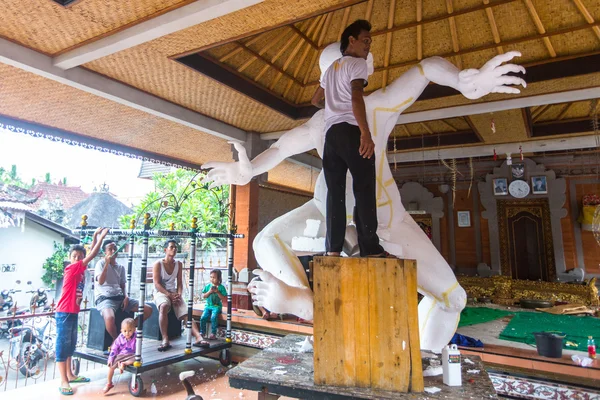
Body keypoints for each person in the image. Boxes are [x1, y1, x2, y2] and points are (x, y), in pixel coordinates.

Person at [310, 20, 389, 258]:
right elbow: (356, 97)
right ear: (351, 40)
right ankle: (370, 249)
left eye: (369, 42)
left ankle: (333, 250)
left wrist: (333, 106)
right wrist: (365, 132)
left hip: (331, 135)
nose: (368, 46)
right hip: (350, 130)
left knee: (334, 192)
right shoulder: (357, 64)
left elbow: (315, 100)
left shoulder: (331, 68)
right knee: (363, 187)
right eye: (365, 41)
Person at [55, 227, 108, 396]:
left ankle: (70, 374)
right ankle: (63, 380)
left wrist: (93, 237)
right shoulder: (71, 269)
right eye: (74, 257)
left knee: (71, 344)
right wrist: (101, 238)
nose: (77, 259)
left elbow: (89, 254)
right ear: (70, 259)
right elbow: (92, 255)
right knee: (62, 346)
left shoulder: (80, 269)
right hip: (64, 313)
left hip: (72, 312)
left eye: (79, 257)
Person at [95, 240, 152, 340]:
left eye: (115, 249)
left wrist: (126, 297)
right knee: (109, 318)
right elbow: (100, 281)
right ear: (105, 252)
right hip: (105, 298)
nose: (113, 251)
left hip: (120, 297)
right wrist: (106, 264)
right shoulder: (100, 263)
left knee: (148, 309)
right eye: (110, 249)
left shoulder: (120, 267)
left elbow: (122, 285)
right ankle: (117, 340)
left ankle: (127, 329)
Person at [152, 240, 203, 350]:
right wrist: (169, 295)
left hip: (174, 292)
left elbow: (180, 282)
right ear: (165, 250)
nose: (174, 249)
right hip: (161, 292)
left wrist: (178, 295)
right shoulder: (158, 264)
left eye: (175, 247)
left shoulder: (178, 264)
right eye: (171, 247)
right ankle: (165, 339)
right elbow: (157, 284)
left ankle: (199, 338)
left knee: (186, 312)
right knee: (164, 306)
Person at [103, 318, 137, 394]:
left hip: (131, 355)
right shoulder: (120, 338)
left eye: (130, 330)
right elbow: (114, 349)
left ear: (134, 330)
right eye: (125, 331)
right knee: (111, 366)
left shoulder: (136, 336)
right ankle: (109, 383)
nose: (127, 333)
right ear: (121, 331)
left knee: (138, 359)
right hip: (121, 355)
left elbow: (139, 341)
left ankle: (124, 363)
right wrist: (110, 359)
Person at [200, 269, 227, 339]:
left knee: (213, 317)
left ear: (219, 278)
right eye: (211, 277)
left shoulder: (221, 287)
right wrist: (210, 292)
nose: (212, 279)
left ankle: (213, 333)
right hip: (208, 306)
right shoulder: (208, 286)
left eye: (214, 277)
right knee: (203, 317)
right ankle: (202, 332)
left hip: (216, 306)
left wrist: (217, 292)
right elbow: (203, 296)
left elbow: (223, 298)